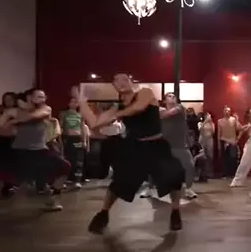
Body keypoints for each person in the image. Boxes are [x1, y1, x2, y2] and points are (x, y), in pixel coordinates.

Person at [74, 74, 185, 234]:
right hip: (135, 147)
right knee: (119, 182)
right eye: (117, 80)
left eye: (125, 79)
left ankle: (175, 211)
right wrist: (82, 102)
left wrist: (115, 115)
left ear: (132, 83)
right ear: (114, 86)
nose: (121, 82)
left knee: (174, 174)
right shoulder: (118, 107)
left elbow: (138, 107)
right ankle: (103, 213)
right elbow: (94, 123)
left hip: (156, 145)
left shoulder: (145, 93)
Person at [0, 89, 70, 211]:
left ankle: (53, 199)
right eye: (39, 97)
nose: (42, 100)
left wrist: (13, 121)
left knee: (64, 167)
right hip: (19, 152)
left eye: (43, 97)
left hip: (39, 151)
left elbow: (32, 117)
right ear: (29, 98)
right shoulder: (12, 111)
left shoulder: (45, 109)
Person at [153, 92, 197, 199]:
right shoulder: (160, 111)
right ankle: (149, 188)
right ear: (164, 101)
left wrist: (156, 112)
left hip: (180, 145)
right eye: (169, 96)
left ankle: (188, 189)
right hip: (165, 145)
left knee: (190, 166)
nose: (172, 97)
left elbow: (166, 114)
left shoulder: (180, 108)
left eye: (174, 96)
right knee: (153, 167)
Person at [59, 97, 88, 189]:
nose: (74, 103)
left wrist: (84, 140)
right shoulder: (63, 114)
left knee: (79, 160)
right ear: (68, 103)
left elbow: (82, 128)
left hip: (78, 139)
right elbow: (60, 126)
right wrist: (60, 139)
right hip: (67, 139)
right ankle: (64, 180)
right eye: (72, 101)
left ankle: (77, 181)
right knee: (67, 159)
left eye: (76, 102)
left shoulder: (80, 114)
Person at [217, 106, 240, 178]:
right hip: (224, 140)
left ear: (230, 112)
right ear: (223, 112)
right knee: (225, 158)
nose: (227, 112)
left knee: (233, 158)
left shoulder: (233, 119)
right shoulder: (220, 121)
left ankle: (232, 174)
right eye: (225, 111)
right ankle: (225, 173)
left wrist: (237, 119)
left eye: (228, 111)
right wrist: (219, 145)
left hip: (232, 141)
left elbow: (239, 129)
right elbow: (219, 133)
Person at [196, 112, 215, 182]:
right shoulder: (200, 123)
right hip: (202, 139)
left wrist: (210, 123)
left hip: (209, 139)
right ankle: (200, 173)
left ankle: (209, 172)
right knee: (202, 155)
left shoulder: (212, 124)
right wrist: (205, 122)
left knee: (210, 156)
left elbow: (213, 132)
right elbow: (200, 130)